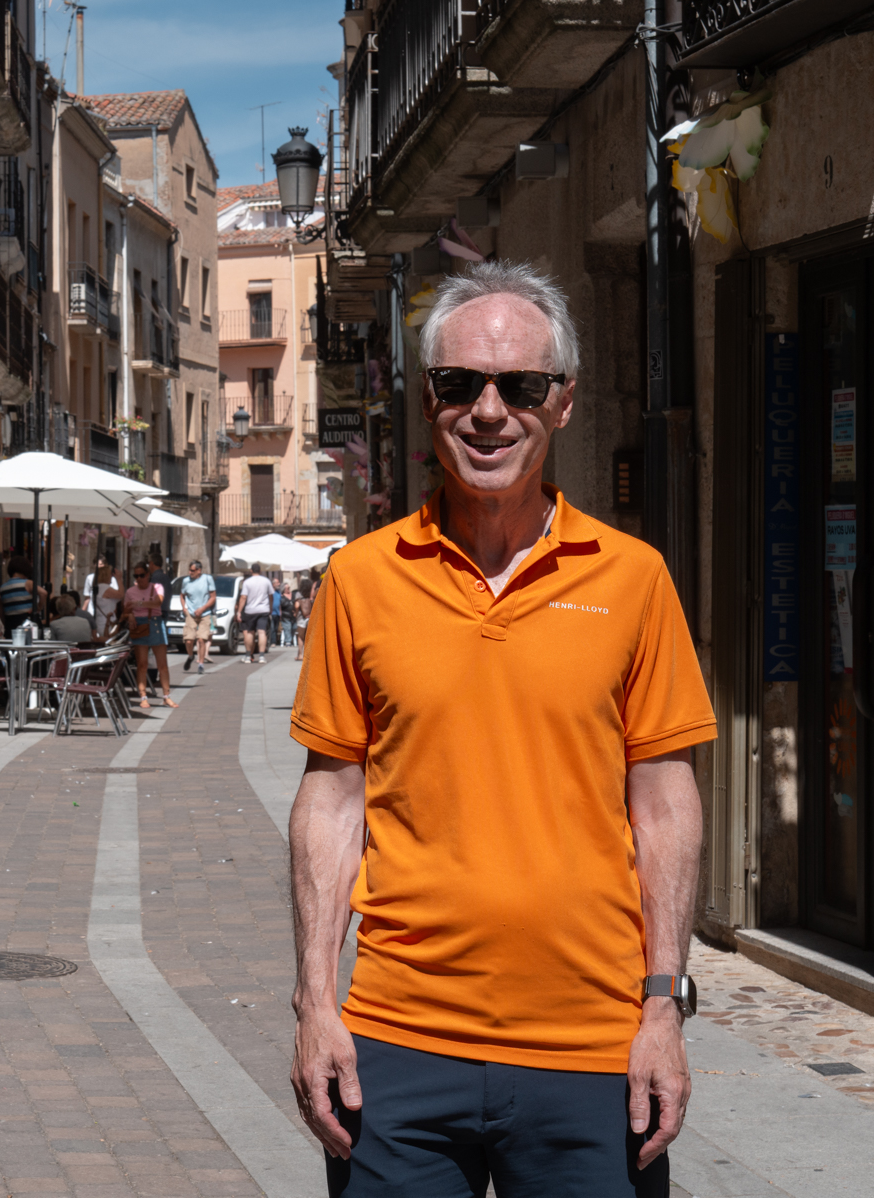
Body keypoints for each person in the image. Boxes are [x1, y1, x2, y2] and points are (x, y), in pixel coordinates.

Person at [287, 261, 716, 1198]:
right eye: (459, 384)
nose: (489, 411)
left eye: (520, 385)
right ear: (427, 399)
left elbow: (664, 804)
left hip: (593, 1050)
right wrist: (316, 1002)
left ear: (562, 402)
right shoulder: (360, 580)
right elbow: (332, 800)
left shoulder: (634, 579)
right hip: (396, 1047)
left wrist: (663, 1007)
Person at [123, 561, 177, 710]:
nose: (139, 579)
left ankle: (166, 696)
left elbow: (157, 603)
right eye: (136, 576)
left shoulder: (157, 587)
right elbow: (126, 610)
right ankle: (143, 696)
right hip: (139, 625)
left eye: (141, 575)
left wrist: (138, 604)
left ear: (148, 575)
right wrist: (130, 615)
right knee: (142, 664)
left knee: (162, 664)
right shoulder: (130, 591)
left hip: (155, 623)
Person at [179, 560, 217, 674]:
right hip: (191, 614)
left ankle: (201, 664)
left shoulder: (207, 579)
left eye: (192, 570)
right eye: (189, 570)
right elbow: (182, 595)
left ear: (199, 570)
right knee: (188, 640)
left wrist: (202, 608)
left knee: (201, 639)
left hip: (204, 614)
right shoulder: (186, 581)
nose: (190, 572)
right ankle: (191, 656)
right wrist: (184, 607)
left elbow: (213, 597)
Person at [237, 562, 276, 663]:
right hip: (263, 609)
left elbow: (243, 597)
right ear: (260, 571)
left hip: (250, 610)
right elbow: (271, 596)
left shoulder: (247, 582)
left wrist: (239, 611)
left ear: (251, 571)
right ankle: (261, 656)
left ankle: (248, 656)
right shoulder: (266, 581)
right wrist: (270, 607)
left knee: (250, 632)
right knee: (262, 632)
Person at [84, 556, 121, 637]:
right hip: (94, 612)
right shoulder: (90, 578)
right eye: (96, 564)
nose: (98, 566)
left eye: (101, 564)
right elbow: (87, 596)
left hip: (104, 615)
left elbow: (115, 598)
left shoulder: (112, 580)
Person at [0, 557, 38, 632]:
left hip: (10, 623)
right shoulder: (28, 583)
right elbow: (44, 593)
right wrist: (37, 609)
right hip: (26, 623)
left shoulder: (3, 588)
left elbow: (1, 611)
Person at [292, 584, 313, 662]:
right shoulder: (311, 593)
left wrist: (296, 613)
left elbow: (297, 606)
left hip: (301, 618)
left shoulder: (298, 594)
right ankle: (309, 655)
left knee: (300, 637)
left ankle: (300, 655)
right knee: (309, 636)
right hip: (311, 616)